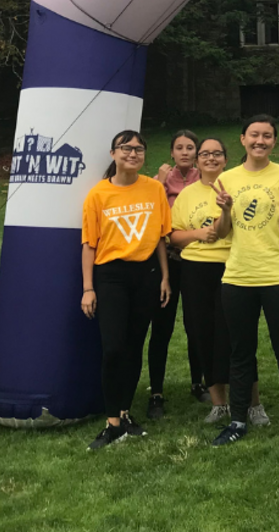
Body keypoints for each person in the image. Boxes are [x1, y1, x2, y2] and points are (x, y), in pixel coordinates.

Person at [211, 115, 279, 446]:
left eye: (267, 136)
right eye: (254, 135)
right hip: (238, 277)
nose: (260, 141)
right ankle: (238, 420)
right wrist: (225, 210)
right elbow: (223, 232)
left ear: (274, 142)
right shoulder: (227, 178)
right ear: (242, 139)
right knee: (241, 352)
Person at [81, 130, 172, 449]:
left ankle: (125, 412)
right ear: (113, 154)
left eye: (139, 149)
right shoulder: (98, 195)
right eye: (126, 148)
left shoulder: (154, 189)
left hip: (146, 274)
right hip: (111, 276)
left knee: (135, 346)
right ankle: (111, 423)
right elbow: (89, 245)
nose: (132, 154)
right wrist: (88, 288)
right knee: (113, 347)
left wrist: (164, 277)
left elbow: (162, 237)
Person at [171, 138, 259, 424]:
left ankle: (251, 403)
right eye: (204, 154)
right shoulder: (186, 195)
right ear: (196, 161)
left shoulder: (236, 186)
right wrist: (197, 234)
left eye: (216, 154)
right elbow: (173, 236)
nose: (210, 158)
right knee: (203, 335)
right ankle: (219, 403)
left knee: (237, 336)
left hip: (232, 268)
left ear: (225, 159)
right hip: (195, 271)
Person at [146, 130, 206, 420]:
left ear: (196, 153)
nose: (184, 152)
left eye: (190, 147)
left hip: (197, 259)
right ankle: (156, 392)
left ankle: (199, 382)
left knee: (196, 324)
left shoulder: (204, 178)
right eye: (179, 147)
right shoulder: (160, 181)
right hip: (165, 259)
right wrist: (159, 181)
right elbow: (149, 216)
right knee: (162, 327)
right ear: (171, 152)